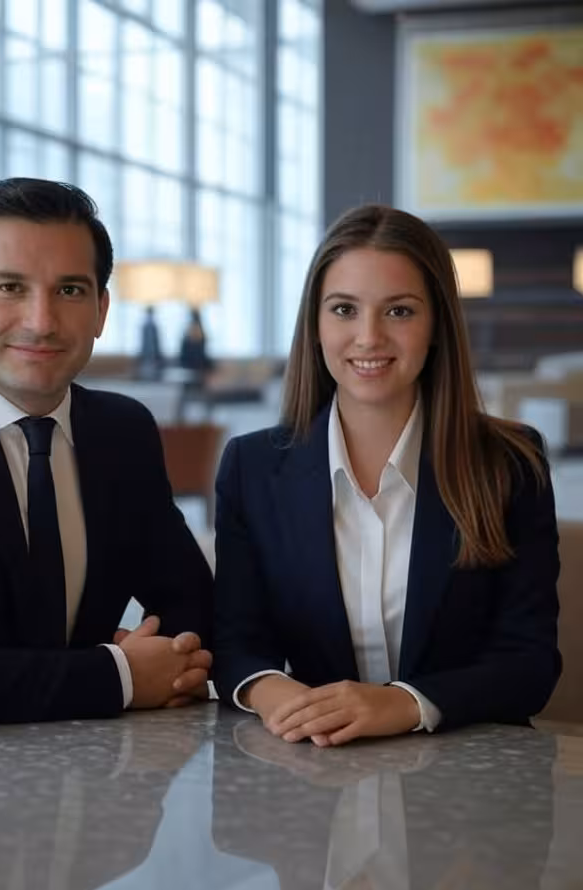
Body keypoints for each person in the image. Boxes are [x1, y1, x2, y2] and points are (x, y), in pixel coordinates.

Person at [0, 177, 213, 733]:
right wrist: (119, 675)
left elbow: (193, 603)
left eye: (70, 290)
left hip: (97, 765)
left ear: (101, 310)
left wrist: (171, 661)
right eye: (10, 287)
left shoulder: (123, 432)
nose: (41, 321)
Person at [212, 203, 560, 746]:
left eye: (399, 311)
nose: (369, 337)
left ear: (437, 325)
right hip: (313, 763)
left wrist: (404, 704)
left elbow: (530, 664)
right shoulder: (251, 467)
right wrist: (274, 694)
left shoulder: (510, 462)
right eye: (344, 309)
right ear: (315, 325)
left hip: (468, 773)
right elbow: (236, 641)